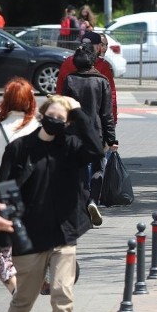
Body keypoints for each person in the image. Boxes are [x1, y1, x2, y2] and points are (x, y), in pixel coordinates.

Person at [0, 95, 105, 312]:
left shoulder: (71, 147)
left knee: (63, 295)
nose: (56, 120)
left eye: (62, 118)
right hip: (30, 236)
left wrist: (79, 111)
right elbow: (3, 186)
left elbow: (96, 150)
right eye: (52, 115)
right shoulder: (21, 148)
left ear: (67, 122)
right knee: (25, 298)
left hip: (64, 233)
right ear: (42, 115)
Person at [61, 46, 118, 226]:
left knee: (77, 170)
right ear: (93, 61)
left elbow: (64, 110)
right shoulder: (102, 82)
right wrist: (111, 139)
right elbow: (106, 114)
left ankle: (81, 205)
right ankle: (93, 200)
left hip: (74, 133)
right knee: (97, 168)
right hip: (96, 132)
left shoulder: (69, 80)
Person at [0, 78, 40, 295]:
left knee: (1, 254)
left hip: (3, 201)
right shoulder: (41, 130)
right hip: (35, 200)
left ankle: (18, 296)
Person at [56, 31, 118, 125]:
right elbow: (110, 95)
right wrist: (112, 119)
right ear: (97, 47)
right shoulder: (102, 65)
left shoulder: (68, 62)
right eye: (101, 45)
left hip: (71, 117)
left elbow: (59, 91)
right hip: (95, 119)